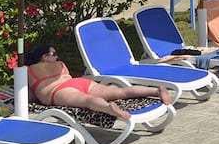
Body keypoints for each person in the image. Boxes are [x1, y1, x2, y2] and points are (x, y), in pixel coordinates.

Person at [24, 43, 171, 120]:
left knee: (88, 100)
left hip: (58, 91)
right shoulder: (61, 65)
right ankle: (156, 90)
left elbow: (30, 96)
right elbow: (68, 78)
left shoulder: (28, 70)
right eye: (53, 54)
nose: (57, 57)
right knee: (119, 91)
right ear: (43, 56)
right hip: (79, 82)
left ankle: (108, 108)